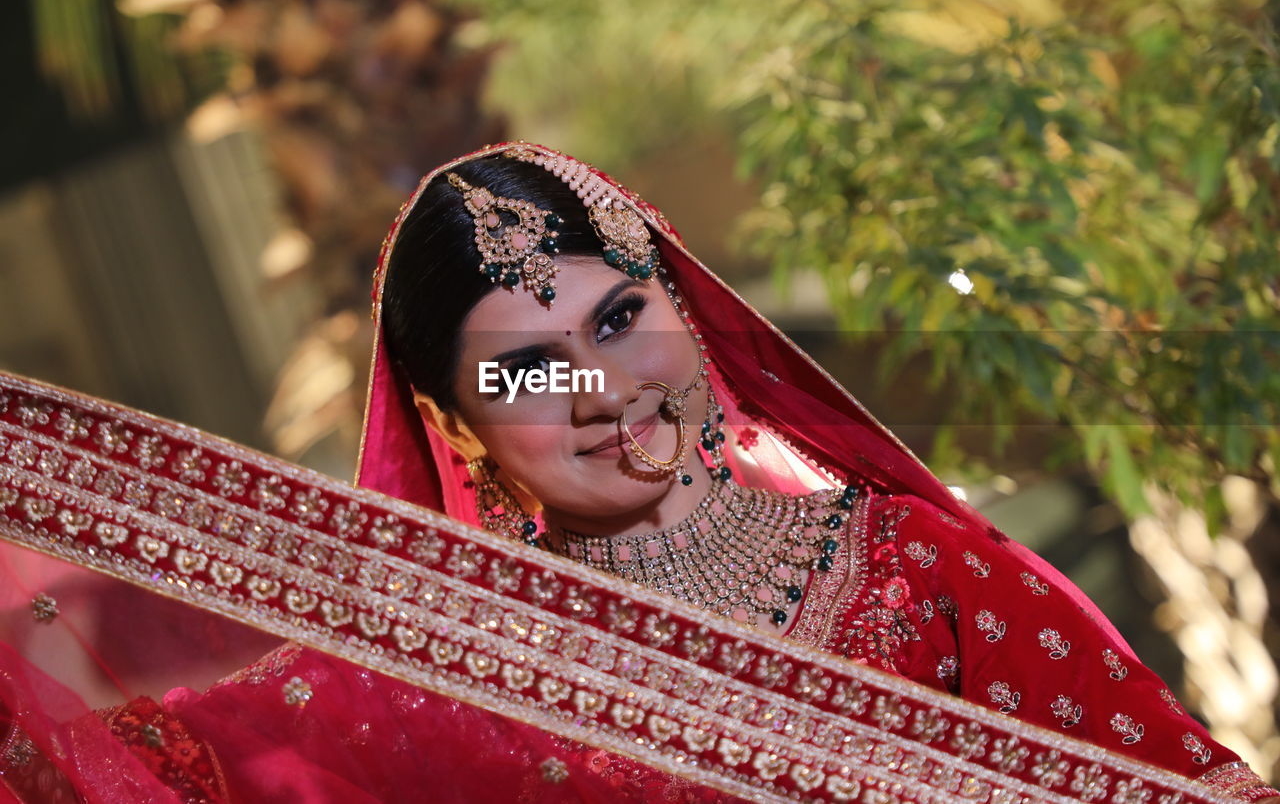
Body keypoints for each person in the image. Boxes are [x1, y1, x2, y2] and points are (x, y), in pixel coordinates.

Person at [0, 141, 1274, 802]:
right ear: (455, 430)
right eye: (528, 369)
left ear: (686, 303)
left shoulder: (919, 574)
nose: (603, 388)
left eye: (619, 320)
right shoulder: (428, 684)